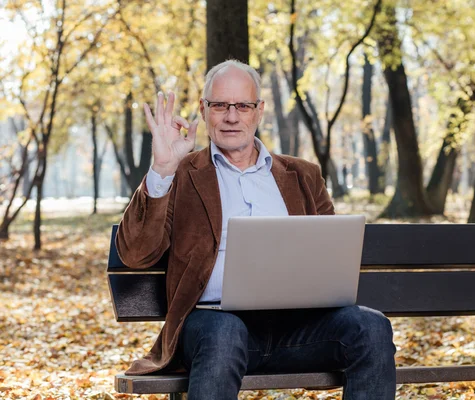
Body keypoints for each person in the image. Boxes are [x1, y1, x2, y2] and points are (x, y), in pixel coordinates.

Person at [116, 60, 396, 400]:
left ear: (259, 110)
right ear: (204, 110)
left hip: (299, 329)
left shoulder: (303, 176)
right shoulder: (182, 173)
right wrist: (162, 170)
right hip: (212, 325)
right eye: (220, 105)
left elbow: (331, 255)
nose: (232, 117)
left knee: (370, 326)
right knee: (225, 332)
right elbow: (135, 254)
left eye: (243, 105)